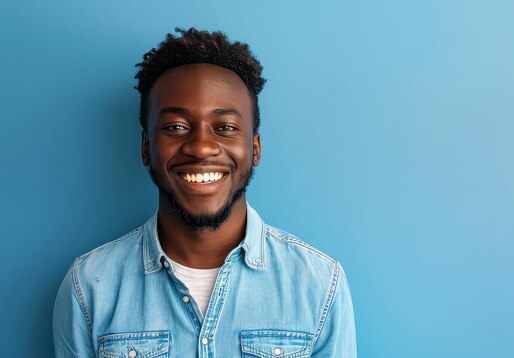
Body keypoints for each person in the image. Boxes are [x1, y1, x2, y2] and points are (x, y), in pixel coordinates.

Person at [53, 28, 356, 357]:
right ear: (146, 147)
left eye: (225, 127)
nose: (201, 147)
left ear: (254, 148)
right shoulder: (88, 286)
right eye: (176, 127)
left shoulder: (320, 284)